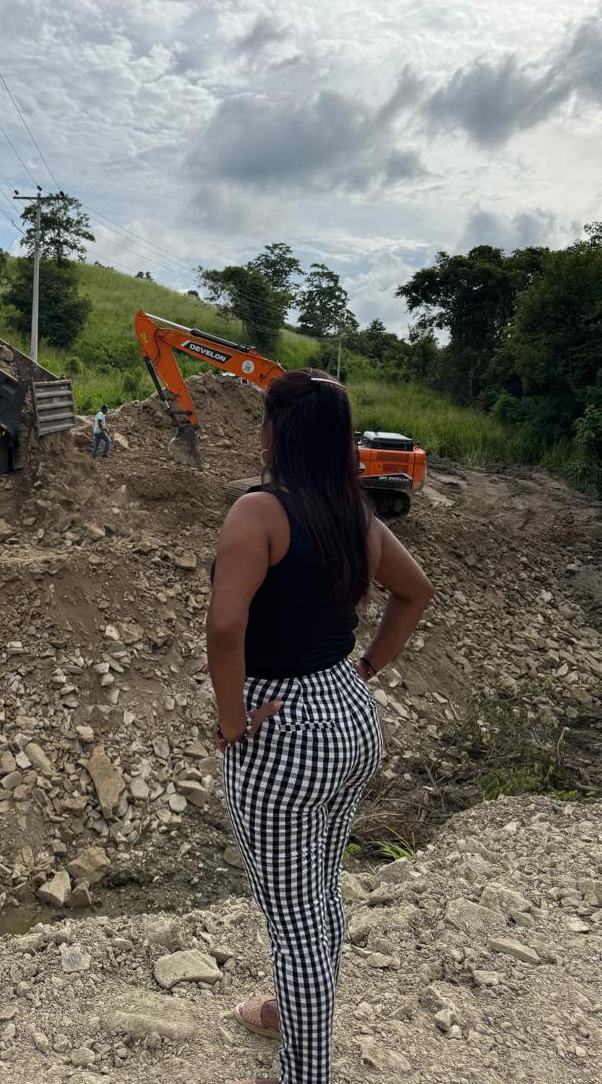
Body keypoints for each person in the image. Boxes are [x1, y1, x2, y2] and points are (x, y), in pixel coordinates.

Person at [208, 369, 433, 1084]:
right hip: (349, 715)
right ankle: (289, 1008)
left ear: (276, 432)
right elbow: (415, 592)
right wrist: (365, 668)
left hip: (283, 727)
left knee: (293, 918)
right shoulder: (356, 515)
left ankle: (305, 1070)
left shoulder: (258, 512)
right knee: (318, 891)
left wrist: (232, 724)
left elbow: (225, 628)